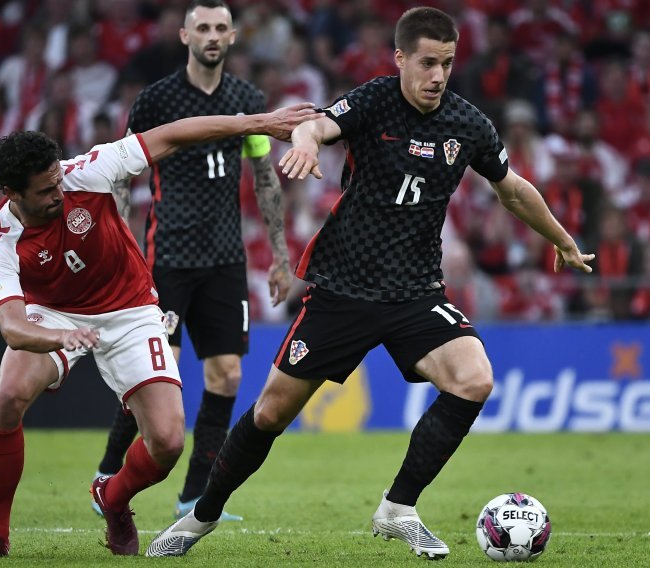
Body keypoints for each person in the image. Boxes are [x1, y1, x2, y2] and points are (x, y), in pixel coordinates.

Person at [145, 7, 594, 560]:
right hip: (344, 289)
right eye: (427, 62)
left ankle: (397, 507)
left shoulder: (468, 124)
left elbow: (514, 190)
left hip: (416, 291)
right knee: (268, 415)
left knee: (474, 379)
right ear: (401, 58)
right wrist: (306, 142)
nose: (437, 75)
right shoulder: (375, 100)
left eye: (447, 64)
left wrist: (561, 239)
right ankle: (200, 518)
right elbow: (318, 122)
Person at [0, 101, 317, 558]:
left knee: (167, 442)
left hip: (129, 309)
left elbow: (175, 134)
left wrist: (256, 124)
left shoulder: (87, 172)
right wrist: (61, 338)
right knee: (7, 396)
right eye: (44, 191)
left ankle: (114, 498)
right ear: (11, 192)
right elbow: (12, 327)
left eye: (57, 181)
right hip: (54, 314)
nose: (58, 194)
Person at [89, 0, 293, 523]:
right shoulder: (157, 102)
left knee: (225, 375)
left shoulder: (247, 101)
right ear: (184, 35)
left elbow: (264, 176)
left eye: (221, 27)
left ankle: (195, 497)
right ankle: (108, 473)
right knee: (157, 375)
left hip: (225, 259)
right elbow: (119, 178)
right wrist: (117, 245)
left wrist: (280, 255)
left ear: (232, 36)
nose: (212, 35)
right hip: (167, 258)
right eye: (202, 27)